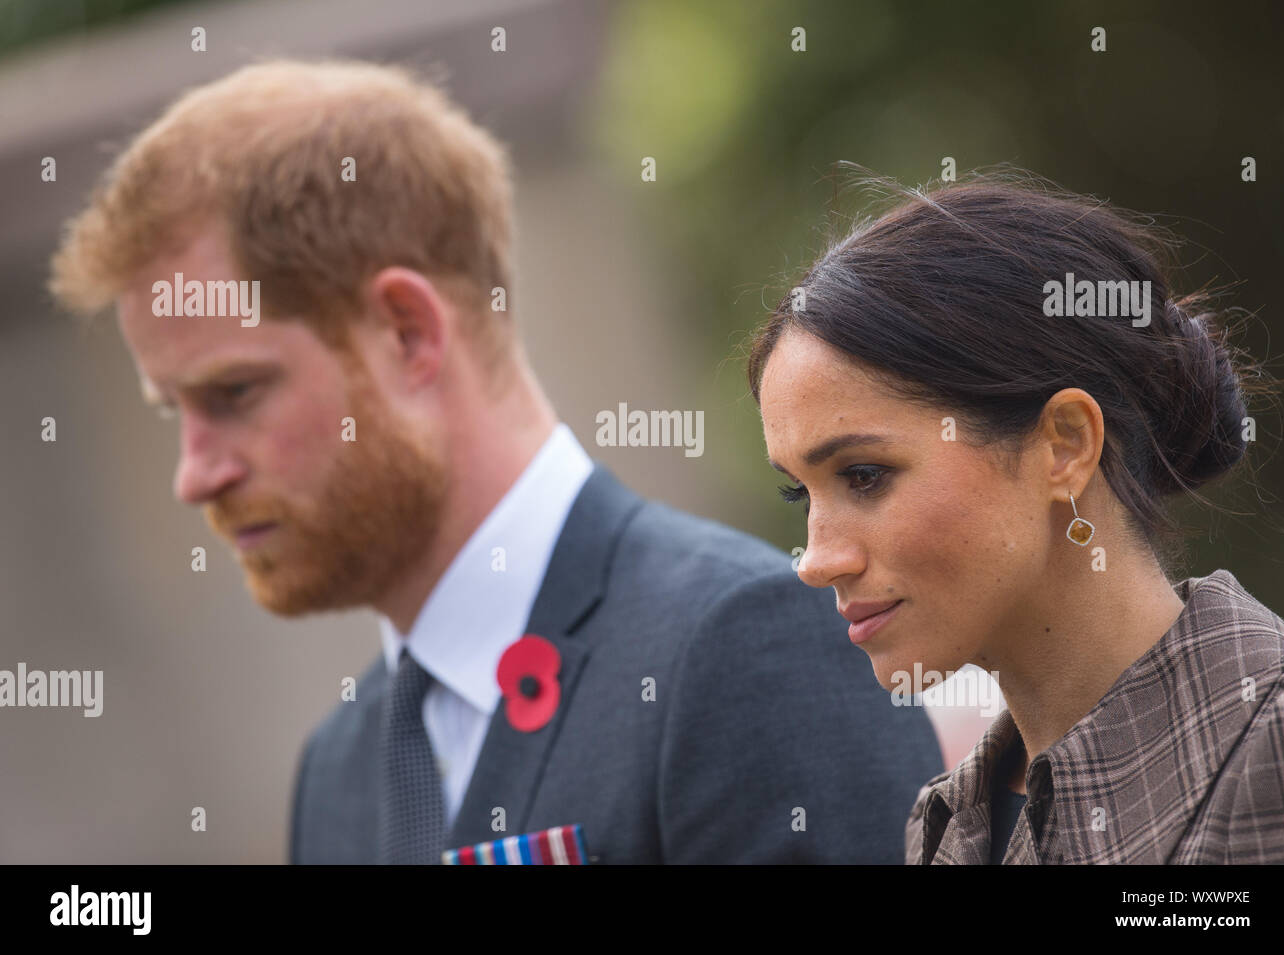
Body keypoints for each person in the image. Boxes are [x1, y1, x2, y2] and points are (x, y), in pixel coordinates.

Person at [48, 59, 943, 864]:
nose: (193, 474)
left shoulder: (739, 644)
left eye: (233, 393)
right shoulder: (336, 771)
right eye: (175, 413)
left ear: (408, 332)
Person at [746, 173, 1284, 864]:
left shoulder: (1279, 742)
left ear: (1064, 444)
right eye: (801, 494)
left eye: (864, 475)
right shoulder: (946, 824)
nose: (815, 559)